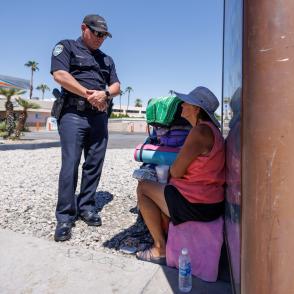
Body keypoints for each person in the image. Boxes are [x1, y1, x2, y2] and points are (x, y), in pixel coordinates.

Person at [136, 86, 225, 265]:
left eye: (186, 102)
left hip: (198, 203)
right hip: (210, 200)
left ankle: (160, 248)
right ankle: (167, 239)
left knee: (143, 187)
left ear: (196, 109)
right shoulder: (211, 131)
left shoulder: (200, 132)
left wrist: (174, 170)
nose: (182, 105)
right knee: (165, 188)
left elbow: (176, 171)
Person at [50, 14, 120, 242]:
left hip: (99, 116)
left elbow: (116, 85)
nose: (100, 39)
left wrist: (106, 93)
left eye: (104, 36)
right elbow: (59, 75)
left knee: (94, 164)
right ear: (84, 28)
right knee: (70, 164)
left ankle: (87, 207)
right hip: (73, 115)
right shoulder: (66, 47)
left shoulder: (107, 60)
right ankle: (64, 217)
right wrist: (88, 94)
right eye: (97, 33)